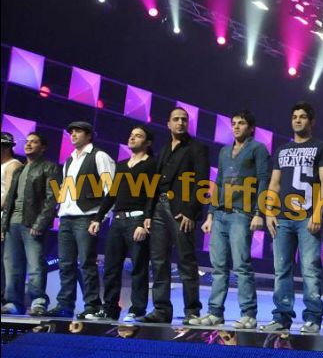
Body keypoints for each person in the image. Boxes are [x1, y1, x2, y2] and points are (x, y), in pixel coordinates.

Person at [189, 110, 269, 328]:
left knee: (241, 266)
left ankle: (249, 314)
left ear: (251, 128)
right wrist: (210, 215)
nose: (236, 127)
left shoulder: (258, 149)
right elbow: (219, 182)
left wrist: (258, 213)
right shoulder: (225, 151)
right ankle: (215, 312)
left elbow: (263, 181)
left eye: (241, 123)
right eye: (233, 123)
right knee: (218, 267)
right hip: (220, 215)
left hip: (242, 214)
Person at [260, 101, 323, 334]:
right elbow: (274, 183)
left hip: (307, 217)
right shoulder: (282, 150)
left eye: (303, 116)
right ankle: (282, 317)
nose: (298, 120)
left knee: (310, 269)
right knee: (281, 269)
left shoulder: (322, 147)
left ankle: (313, 318)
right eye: (294, 117)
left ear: (312, 121)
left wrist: (317, 212)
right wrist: (269, 212)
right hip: (282, 218)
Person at [141, 107, 209, 324]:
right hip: (159, 207)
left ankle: (192, 311)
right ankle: (161, 310)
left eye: (184, 119)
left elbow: (202, 182)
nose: (180, 123)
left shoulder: (197, 148)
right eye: (176, 119)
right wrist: (148, 213)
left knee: (186, 261)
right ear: (168, 124)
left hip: (181, 211)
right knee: (159, 261)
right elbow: (154, 183)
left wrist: (191, 212)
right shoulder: (163, 149)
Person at [46, 121, 115, 319]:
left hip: (87, 217)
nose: (73, 135)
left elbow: (111, 190)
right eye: (71, 132)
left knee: (86, 263)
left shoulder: (99, 156)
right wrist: (60, 211)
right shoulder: (69, 160)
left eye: (78, 131)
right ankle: (65, 304)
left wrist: (100, 218)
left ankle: (92, 305)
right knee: (66, 264)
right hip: (66, 217)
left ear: (89, 135)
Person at [87, 126, 156, 321]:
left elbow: (152, 195)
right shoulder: (122, 165)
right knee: (111, 267)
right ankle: (109, 308)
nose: (132, 138)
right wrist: (98, 218)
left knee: (138, 267)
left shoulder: (152, 164)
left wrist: (144, 222)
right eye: (131, 135)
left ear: (148, 142)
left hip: (137, 219)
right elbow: (112, 194)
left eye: (138, 136)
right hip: (117, 220)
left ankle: (137, 309)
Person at [1, 132, 60, 315]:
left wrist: (40, 223)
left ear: (43, 147)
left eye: (34, 142)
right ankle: (14, 303)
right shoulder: (19, 170)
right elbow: (10, 200)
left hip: (32, 224)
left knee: (35, 265)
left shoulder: (50, 167)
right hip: (12, 223)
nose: (28, 144)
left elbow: (53, 198)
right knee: (12, 265)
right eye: (27, 142)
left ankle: (38, 301)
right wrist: (3, 225)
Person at [1, 132, 22, 304]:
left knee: (6, 261)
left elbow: (9, 195)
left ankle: (7, 299)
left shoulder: (13, 165)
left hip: (5, 218)